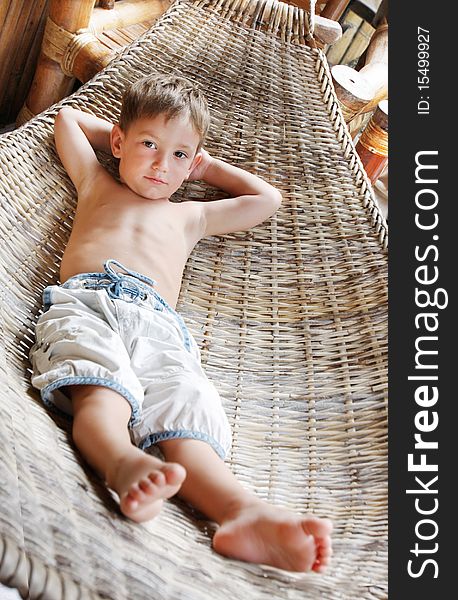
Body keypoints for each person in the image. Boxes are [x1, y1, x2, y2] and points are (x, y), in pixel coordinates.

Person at [29, 74, 332, 573]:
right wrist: (126, 139)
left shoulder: (190, 215)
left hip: (159, 326)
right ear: (122, 143)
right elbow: (68, 120)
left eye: (177, 156)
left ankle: (241, 512)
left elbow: (267, 200)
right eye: (148, 145)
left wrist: (204, 167)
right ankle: (122, 462)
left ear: (190, 165)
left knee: (184, 403)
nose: (159, 164)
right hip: (89, 303)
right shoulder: (97, 183)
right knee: (101, 388)